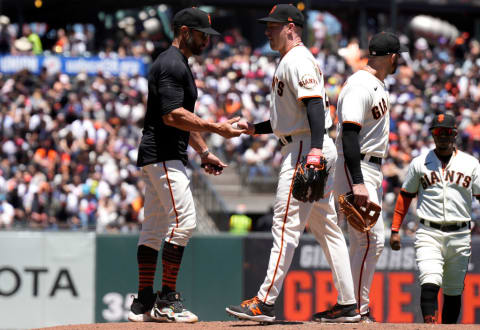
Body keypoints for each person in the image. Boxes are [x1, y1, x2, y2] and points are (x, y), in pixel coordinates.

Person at [226, 4, 359, 323]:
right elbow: (287, 118)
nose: (267, 30)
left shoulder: (298, 59)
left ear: (291, 27)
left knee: (284, 223)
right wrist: (253, 128)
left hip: (305, 146)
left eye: (273, 26)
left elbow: (314, 106)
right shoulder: (291, 60)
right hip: (305, 141)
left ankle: (265, 301)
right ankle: (347, 303)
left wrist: (313, 150)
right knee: (326, 227)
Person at [128, 7, 245, 323]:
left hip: (161, 155)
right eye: (201, 34)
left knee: (153, 228)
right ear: (183, 31)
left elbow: (179, 117)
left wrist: (204, 151)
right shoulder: (170, 63)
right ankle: (166, 301)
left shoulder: (178, 64)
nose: (206, 40)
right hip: (164, 154)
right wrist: (218, 127)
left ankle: (142, 303)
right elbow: (171, 115)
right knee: (184, 223)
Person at [331, 31, 407, 322]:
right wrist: (358, 179)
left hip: (368, 167)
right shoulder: (360, 84)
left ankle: (350, 304)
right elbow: (349, 134)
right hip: (356, 166)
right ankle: (355, 307)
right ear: (392, 57)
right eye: (399, 56)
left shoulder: (376, 83)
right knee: (371, 239)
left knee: (364, 241)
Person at [390, 114, 480, 324]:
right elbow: (405, 196)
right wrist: (395, 229)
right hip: (428, 232)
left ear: (455, 135)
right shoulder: (420, 163)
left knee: (453, 290)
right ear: (432, 135)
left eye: (447, 132)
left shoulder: (471, 164)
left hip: (460, 234)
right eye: (438, 132)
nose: (442, 137)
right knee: (429, 281)